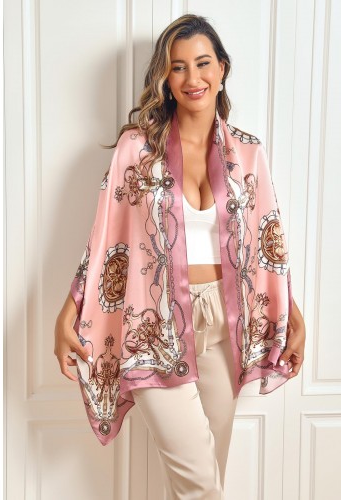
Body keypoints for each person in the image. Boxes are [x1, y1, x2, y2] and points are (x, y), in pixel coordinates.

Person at [54, 13, 306, 500]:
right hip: (154, 324)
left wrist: (292, 314)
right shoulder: (137, 149)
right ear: (165, 79)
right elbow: (106, 242)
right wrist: (69, 311)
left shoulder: (248, 153)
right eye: (178, 67)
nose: (193, 77)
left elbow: (267, 247)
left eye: (203, 63)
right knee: (201, 488)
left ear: (222, 68)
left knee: (204, 478)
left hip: (227, 322)